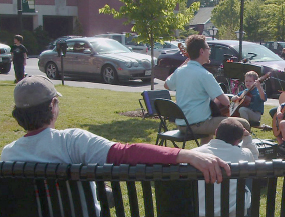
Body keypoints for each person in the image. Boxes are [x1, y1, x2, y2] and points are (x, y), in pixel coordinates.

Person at [1, 75, 232, 216]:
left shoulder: (8, 155)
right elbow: (125, 153)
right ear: (53, 106)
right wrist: (186, 155)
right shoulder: (70, 141)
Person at [164, 35, 250, 144]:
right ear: (201, 51)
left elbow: (167, 84)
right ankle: (235, 155)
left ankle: (205, 153)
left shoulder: (180, 71)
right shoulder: (204, 74)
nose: (210, 51)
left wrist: (184, 63)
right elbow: (225, 101)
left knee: (210, 121)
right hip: (196, 125)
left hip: (182, 124)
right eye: (208, 48)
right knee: (243, 124)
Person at [192, 118, 258, 217]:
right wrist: (247, 138)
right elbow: (254, 161)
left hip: (199, 212)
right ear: (237, 141)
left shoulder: (194, 154)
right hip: (233, 212)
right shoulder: (244, 155)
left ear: (216, 132)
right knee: (247, 177)